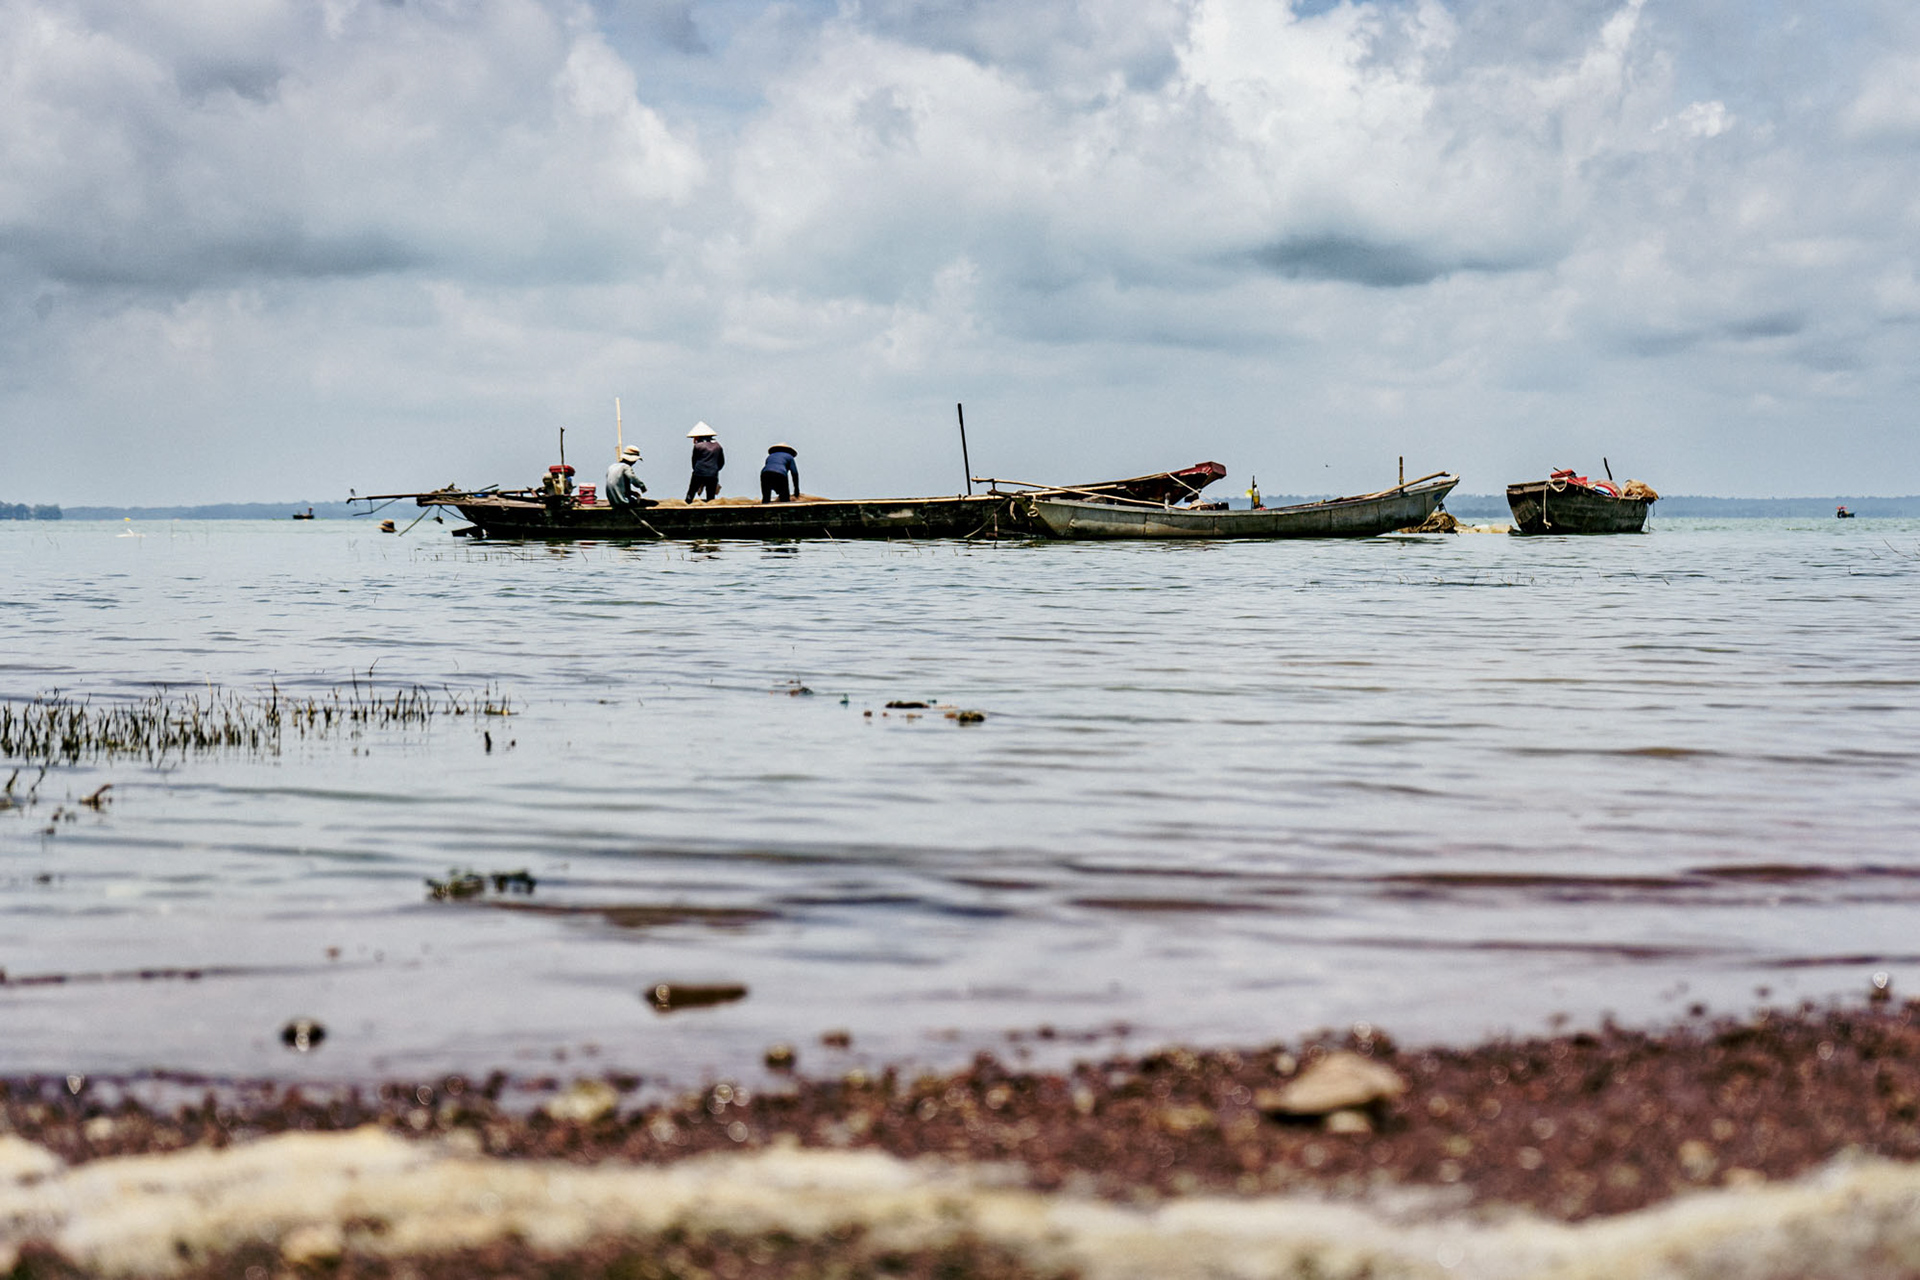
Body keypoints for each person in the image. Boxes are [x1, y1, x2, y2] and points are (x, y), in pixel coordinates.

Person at [686, 422, 724, 502]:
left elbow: (694, 461)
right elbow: (721, 462)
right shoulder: (718, 446)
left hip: (699, 473)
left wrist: (698, 470)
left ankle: (687, 505)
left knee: (691, 492)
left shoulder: (698, 446)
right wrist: (715, 469)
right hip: (713, 474)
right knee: (711, 496)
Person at [605, 445, 649, 509]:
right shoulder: (626, 467)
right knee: (646, 503)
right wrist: (642, 486)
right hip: (622, 502)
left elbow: (617, 485)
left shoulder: (612, 467)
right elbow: (633, 478)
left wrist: (632, 492)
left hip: (612, 502)